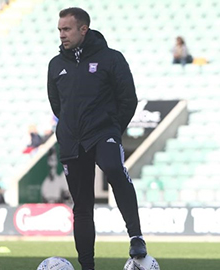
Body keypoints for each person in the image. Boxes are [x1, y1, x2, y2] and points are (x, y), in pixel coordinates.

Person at [47, 7, 146, 270]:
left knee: (114, 168)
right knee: (82, 207)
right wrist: (70, 126)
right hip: (71, 140)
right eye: (59, 30)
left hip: (103, 133)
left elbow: (128, 99)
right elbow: (57, 106)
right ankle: (87, 266)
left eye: (66, 29)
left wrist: (113, 128)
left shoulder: (111, 59)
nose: (61, 35)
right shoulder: (56, 65)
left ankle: (136, 236)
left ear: (83, 29)